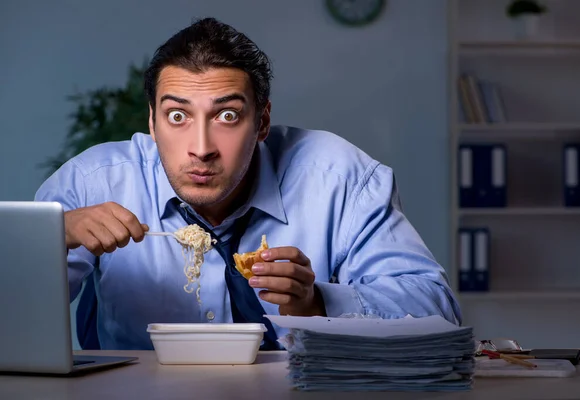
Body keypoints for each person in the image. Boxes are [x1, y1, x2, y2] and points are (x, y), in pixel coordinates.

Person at [35, 17, 462, 351]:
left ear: (262, 122)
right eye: (177, 116)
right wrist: (48, 239)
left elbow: (436, 309)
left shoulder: (342, 179)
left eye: (227, 116)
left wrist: (319, 304)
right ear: (152, 122)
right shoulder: (91, 182)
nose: (201, 149)